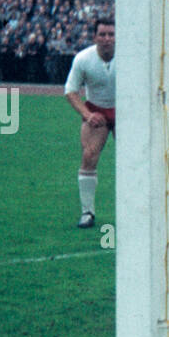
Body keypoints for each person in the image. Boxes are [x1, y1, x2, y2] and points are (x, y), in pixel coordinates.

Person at [64, 19, 116, 228]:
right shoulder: (83, 58)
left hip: (126, 111)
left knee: (134, 161)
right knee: (89, 156)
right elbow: (71, 91)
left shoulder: (131, 56)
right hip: (97, 109)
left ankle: (137, 210)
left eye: (111, 34)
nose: (107, 39)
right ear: (94, 37)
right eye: (102, 34)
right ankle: (87, 212)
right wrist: (87, 114)